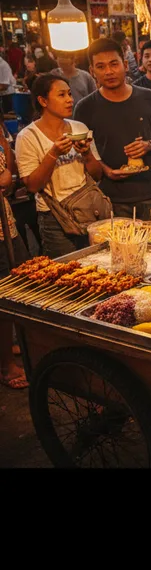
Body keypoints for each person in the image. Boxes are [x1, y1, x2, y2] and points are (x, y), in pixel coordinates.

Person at [74, 38, 151, 220]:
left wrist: (149, 144)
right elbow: (83, 152)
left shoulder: (148, 98)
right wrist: (105, 169)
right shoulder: (85, 107)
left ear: (125, 65)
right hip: (110, 198)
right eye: (101, 67)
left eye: (114, 64)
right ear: (92, 72)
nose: (108, 71)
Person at [15, 74, 104, 256]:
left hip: (88, 210)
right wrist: (53, 154)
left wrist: (86, 153)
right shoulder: (27, 137)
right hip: (54, 218)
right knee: (67, 272)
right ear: (43, 101)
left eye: (70, 94)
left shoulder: (79, 128)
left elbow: (97, 175)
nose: (70, 100)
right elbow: (32, 185)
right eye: (61, 95)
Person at [0, 139, 31, 389]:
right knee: (3, 295)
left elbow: (7, 172)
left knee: (18, 283)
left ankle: (9, 344)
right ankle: (6, 364)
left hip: (5, 222)